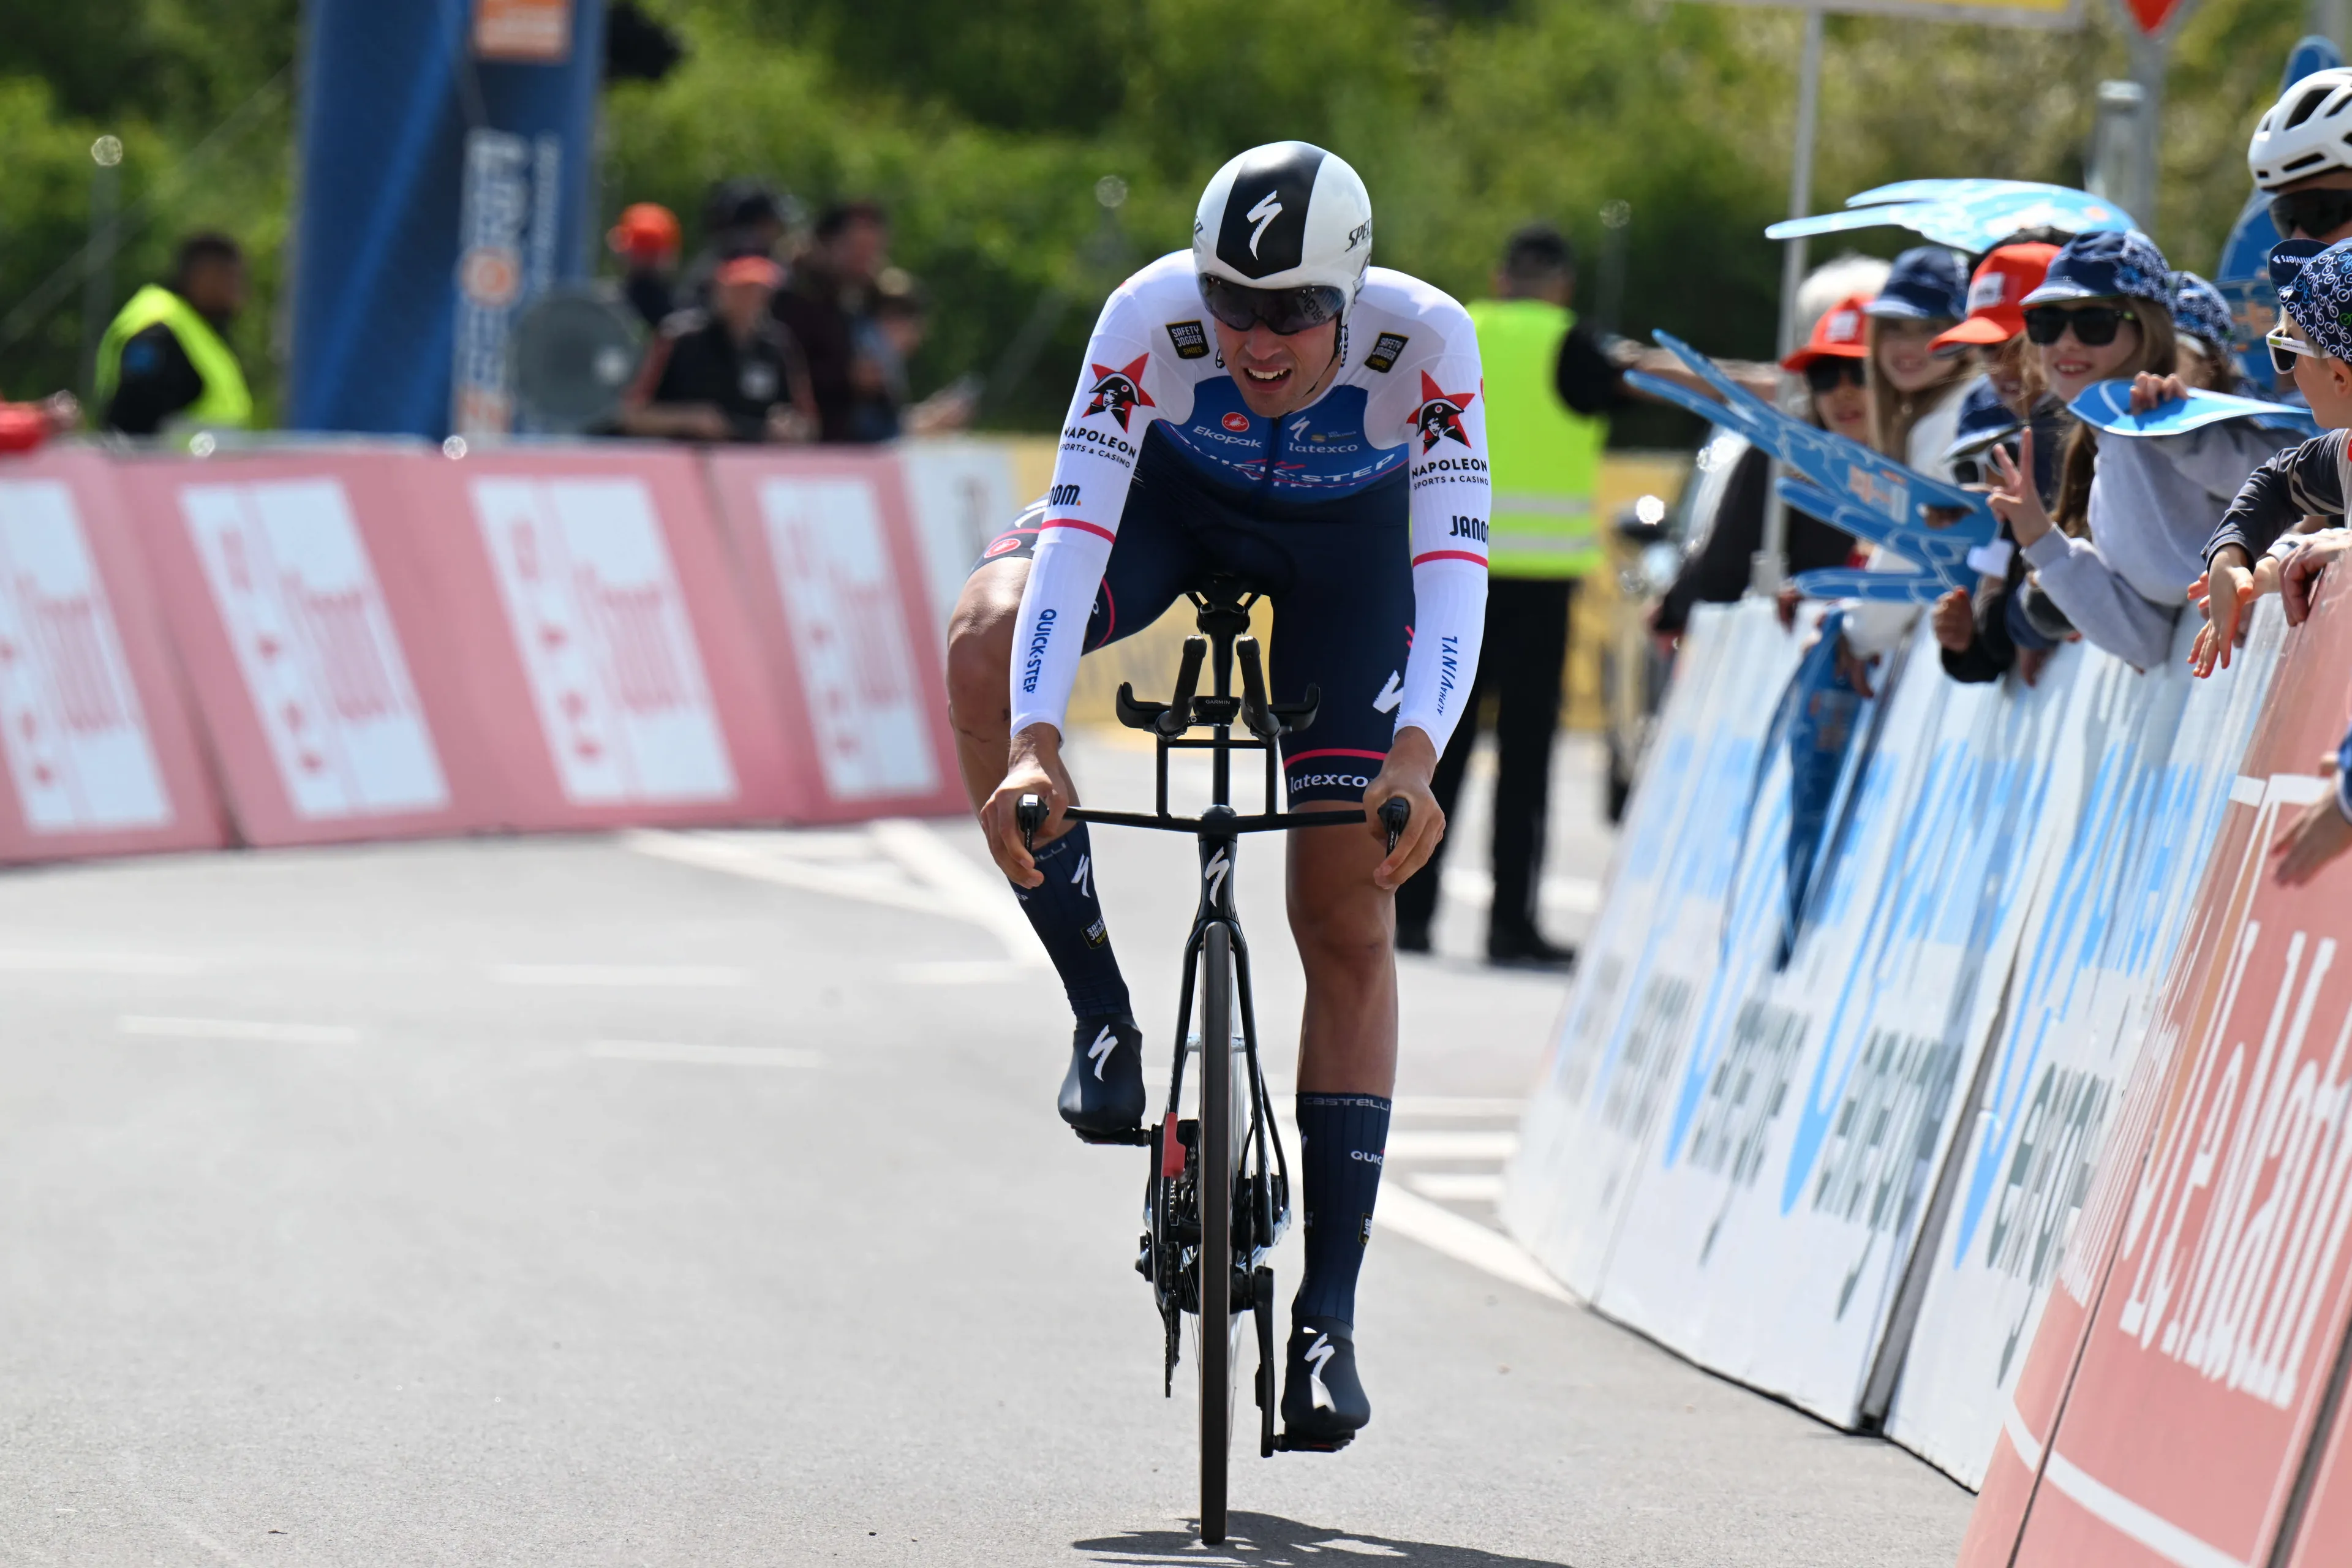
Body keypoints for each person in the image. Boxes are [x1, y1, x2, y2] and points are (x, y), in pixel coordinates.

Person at [945, 141, 1487, 1448]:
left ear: (1350, 295)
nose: (1257, 339)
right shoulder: (1146, 320)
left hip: (1354, 556)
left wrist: (1416, 757)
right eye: (1233, 303)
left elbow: (1454, 567)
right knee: (983, 630)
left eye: (1294, 310)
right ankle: (1102, 1017)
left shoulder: (1429, 342)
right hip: (1170, 509)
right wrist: (1034, 738)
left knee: (1345, 912)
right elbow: (1078, 530)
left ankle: (1326, 1321)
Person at [1392, 225, 1598, 967]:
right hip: (1540, 586)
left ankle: (1409, 912)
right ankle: (1511, 925)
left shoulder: (1455, 327)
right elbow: (1637, 386)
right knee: (1525, 760)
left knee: (1434, 743)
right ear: (1563, 285)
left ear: (1500, 276)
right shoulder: (1577, 344)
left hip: (1453, 571)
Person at [1986, 232, 2279, 673]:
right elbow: (2146, 642)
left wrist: (2186, 435)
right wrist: (2040, 540)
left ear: (2148, 331)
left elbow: (2299, 483)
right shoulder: (2107, 446)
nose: (2066, 342)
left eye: (2094, 322)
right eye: (2047, 322)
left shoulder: (2196, 418)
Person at [1649, 291, 1865, 638]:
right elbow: (1722, 570)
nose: (1843, 391)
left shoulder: (1927, 459)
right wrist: (1672, 610)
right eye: (1823, 375)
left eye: (1860, 372)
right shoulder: (1779, 455)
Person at [2198, 238, 2352, 674]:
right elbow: (2278, 483)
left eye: (2286, 350)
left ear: (2339, 377)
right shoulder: (2346, 453)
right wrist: (2235, 556)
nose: (2285, 371)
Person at [619, 255, 815, 443]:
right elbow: (631, 415)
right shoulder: (679, 339)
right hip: (684, 458)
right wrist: (688, 419)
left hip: (756, 460)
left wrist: (790, 428)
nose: (752, 298)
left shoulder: (779, 346)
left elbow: (809, 424)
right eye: (742, 289)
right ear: (720, 289)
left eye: (760, 289)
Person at [97, 232, 252, 436]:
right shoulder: (161, 328)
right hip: (163, 458)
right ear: (204, 276)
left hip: (190, 457)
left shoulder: (192, 326)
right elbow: (131, 421)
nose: (239, 291)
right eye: (232, 278)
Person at [775, 200, 891, 442]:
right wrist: (847, 377)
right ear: (825, 244)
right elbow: (782, 374)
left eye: (873, 249)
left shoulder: (860, 300)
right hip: (803, 446)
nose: (865, 258)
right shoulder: (791, 299)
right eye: (856, 247)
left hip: (849, 443)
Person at [609, 202, 683, 332]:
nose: (644, 258)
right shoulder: (608, 304)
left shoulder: (681, 316)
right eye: (641, 249)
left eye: (651, 251)